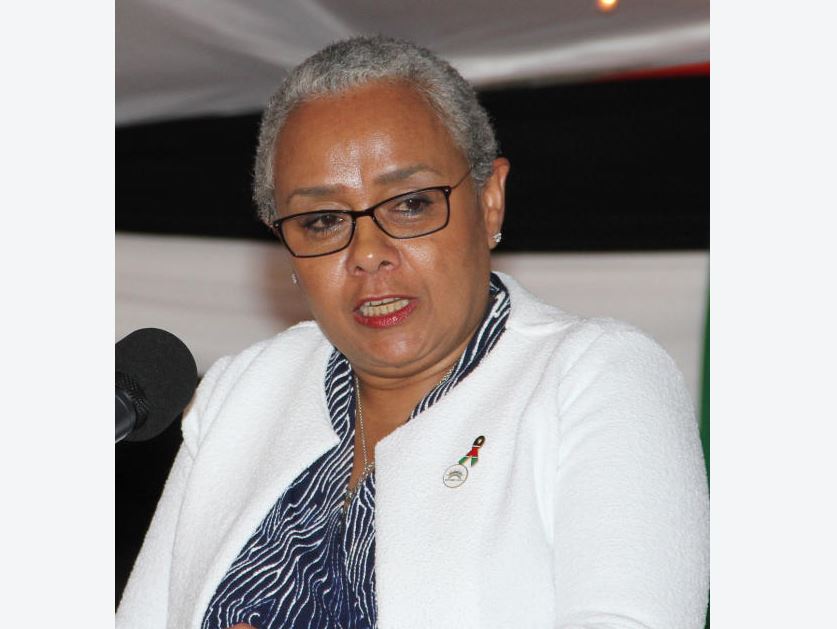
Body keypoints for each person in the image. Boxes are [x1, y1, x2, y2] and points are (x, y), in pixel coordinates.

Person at [116, 35, 709, 629]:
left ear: (490, 201)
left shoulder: (595, 375)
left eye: (410, 204)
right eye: (322, 220)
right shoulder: (242, 392)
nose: (367, 253)